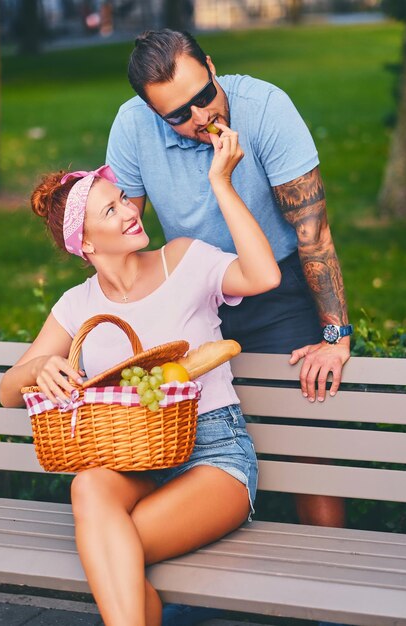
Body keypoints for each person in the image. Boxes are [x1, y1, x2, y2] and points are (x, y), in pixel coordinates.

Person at [0, 126, 281, 626]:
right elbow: (6, 393)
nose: (132, 210)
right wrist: (40, 366)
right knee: (89, 490)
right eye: (111, 210)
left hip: (214, 458)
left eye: (125, 199)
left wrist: (221, 182)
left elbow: (264, 276)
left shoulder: (184, 261)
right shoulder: (78, 305)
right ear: (83, 243)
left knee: (112, 556)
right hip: (133, 466)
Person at [106, 28, 351, 532]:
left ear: (212, 66)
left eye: (203, 96)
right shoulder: (132, 127)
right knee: (185, 443)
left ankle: (332, 586)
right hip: (193, 293)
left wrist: (335, 334)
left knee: (308, 447)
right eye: (178, 114)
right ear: (153, 114)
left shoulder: (265, 107)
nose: (201, 118)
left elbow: (313, 231)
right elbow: (117, 233)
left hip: (275, 288)